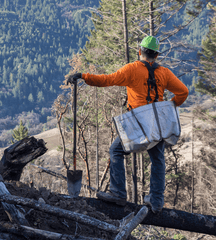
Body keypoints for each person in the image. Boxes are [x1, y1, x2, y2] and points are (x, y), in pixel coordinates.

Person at [67, 36, 189, 213]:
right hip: (157, 122)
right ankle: (156, 202)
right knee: (157, 159)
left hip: (138, 121)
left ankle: (118, 193)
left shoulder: (132, 69)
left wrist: (83, 76)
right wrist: (170, 105)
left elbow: (107, 80)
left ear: (140, 51)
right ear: (156, 55)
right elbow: (183, 92)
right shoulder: (165, 73)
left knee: (116, 150)